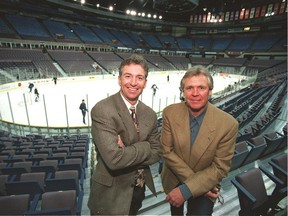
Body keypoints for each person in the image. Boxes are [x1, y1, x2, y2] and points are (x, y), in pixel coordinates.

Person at [88, 54, 162, 215]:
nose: (133, 83)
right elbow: (114, 160)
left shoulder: (150, 114)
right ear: (119, 79)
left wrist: (126, 151)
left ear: (145, 83)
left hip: (138, 190)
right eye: (128, 76)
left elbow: (157, 152)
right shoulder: (103, 110)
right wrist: (145, 146)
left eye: (139, 77)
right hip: (110, 195)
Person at [161, 65, 239, 215]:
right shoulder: (170, 113)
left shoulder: (228, 124)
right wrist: (195, 185)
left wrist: (188, 188)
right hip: (174, 179)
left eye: (201, 88)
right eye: (189, 88)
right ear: (183, 92)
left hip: (207, 183)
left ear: (210, 91)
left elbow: (220, 167)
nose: (195, 93)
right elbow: (167, 151)